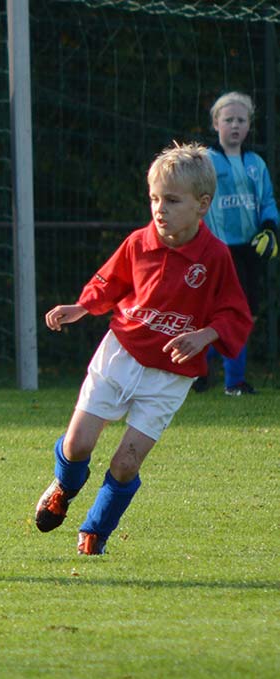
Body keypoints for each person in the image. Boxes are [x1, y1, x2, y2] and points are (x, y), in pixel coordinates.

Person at [34, 142, 252, 556]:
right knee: (78, 445)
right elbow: (109, 282)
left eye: (172, 200)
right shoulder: (139, 242)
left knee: (126, 462)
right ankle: (64, 486)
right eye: (154, 199)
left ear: (202, 204)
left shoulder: (215, 257)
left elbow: (235, 314)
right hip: (121, 353)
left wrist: (205, 335)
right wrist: (81, 307)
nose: (159, 209)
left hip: (170, 374)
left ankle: (95, 532)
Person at [197, 91, 279, 396]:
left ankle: (201, 369)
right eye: (228, 119)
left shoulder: (256, 163)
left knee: (247, 314)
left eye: (241, 120)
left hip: (249, 249)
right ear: (215, 123)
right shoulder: (205, 161)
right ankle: (230, 381)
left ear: (249, 125)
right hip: (217, 249)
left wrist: (270, 228)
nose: (235, 125)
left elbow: (267, 201)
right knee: (228, 314)